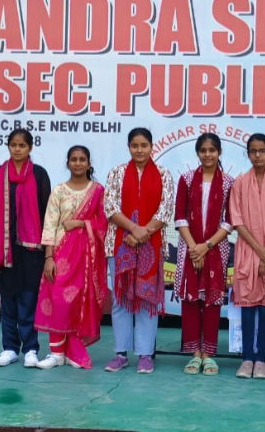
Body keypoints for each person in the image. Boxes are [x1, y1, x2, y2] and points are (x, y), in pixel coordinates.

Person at [102, 128, 175, 374]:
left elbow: (165, 210)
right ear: (129, 147)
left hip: (151, 245)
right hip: (118, 244)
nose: (139, 150)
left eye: (144, 145)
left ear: (151, 146)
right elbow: (110, 207)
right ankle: (120, 354)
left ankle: (145, 355)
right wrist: (134, 229)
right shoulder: (117, 173)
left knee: (146, 299)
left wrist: (144, 233)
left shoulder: (163, 174)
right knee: (121, 300)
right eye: (135, 145)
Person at [34, 145, 108, 370]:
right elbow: (49, 224)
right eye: (73, 159)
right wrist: (48, 258)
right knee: (57, 300)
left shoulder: (98, 191)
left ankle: (73, 351)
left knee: (78, 303)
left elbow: (103, 223)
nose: (77, 163)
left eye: (82, 159)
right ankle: (56, 353)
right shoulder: (58, 191)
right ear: (67, 163)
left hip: (86, 259)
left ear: (88, 163)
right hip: (60, 255)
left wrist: (79, 223)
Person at [0, 129, 51, 368]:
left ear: (30, 148)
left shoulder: (39, 174)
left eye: (22, 145)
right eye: (13, 145)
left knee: (28, 300)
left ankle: (31, 349)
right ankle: (10, 348)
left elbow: (47, 216)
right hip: (3, 250)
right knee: (8, 302)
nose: (17, 149)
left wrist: (48, 253)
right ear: (8, 147)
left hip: (32, 251)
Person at [173, 133, 234, 376]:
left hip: (216, 248)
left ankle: (208, 354)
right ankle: (194, 354)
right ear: (197, 153)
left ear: (219, 152)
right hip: (189, 247)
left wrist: (206, 246)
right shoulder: (187, 179)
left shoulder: (228, 183)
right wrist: (193, 248)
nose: (207, 154)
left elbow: (229, 221)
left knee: (211, 300)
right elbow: (180, 216)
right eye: (203, 150)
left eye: (212, 150)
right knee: (191, 300)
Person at [230, 133, 265, 380]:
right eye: (253, 151)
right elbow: (237, 219)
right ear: (248, 154)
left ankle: (261, 359)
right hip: (248, 249)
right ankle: (246, 359)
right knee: (247, 304)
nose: (258, 155)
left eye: (262, 151)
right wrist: (259, 250)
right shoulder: (240, 182)